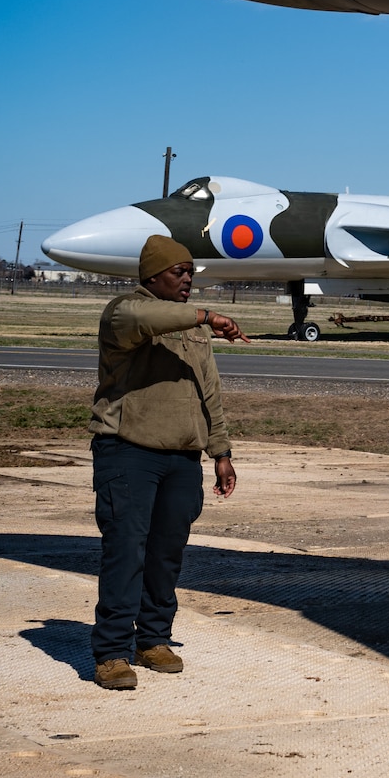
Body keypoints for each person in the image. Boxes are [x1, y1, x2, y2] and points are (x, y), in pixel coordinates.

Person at [88, 235, 246, 690]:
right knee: (126, 553)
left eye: (191, 273)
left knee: (166, 554)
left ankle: (153, 639)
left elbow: (208, 390)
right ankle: (111, 653)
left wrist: (222, 453)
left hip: (181, 458)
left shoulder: (192, 328)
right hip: (128, 452)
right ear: (152, 276)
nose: (188, 280)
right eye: (179, 272)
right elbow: (145, 318)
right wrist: (209, 316)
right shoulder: (124, 312)